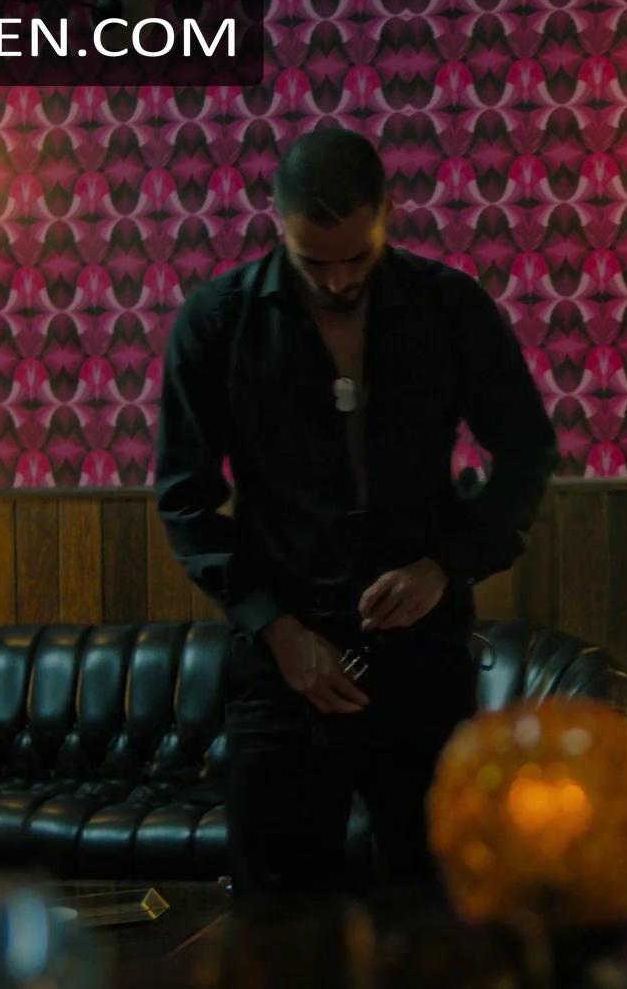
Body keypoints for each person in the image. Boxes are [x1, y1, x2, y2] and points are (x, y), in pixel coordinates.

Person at [154, 128, 559, 897]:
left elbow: (527, 452)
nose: (338, 281)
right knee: (278, 921)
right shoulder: (216, 322)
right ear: (279, 222)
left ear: (388, 216)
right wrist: (276, 629)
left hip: (423, 660)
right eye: (315, 262)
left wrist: (444, 566)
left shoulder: (450, 308)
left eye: (357, 258)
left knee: (439, 906)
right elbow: (183, 497)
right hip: (281, 670)